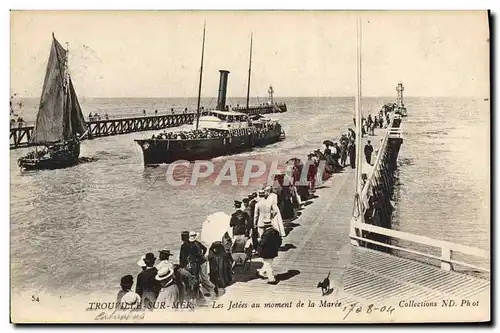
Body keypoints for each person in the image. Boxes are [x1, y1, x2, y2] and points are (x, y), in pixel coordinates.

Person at [189, 231, 216, 297]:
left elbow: (193, 255)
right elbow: (205, 248)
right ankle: (209, 289)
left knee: (203, 278)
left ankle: (212, 288)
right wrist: (202, 255)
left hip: (200, 262)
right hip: (202, 261)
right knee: (203, 277)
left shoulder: (193, 245)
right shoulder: (197, 243)